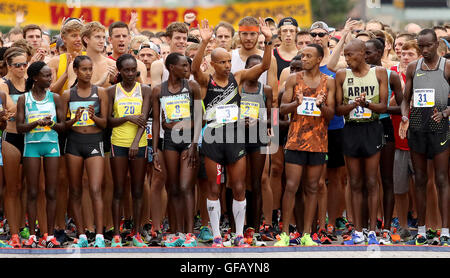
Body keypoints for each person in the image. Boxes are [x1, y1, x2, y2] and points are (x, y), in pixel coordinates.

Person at [192, 18, 273, 247]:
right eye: (222, 62)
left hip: (235, 138)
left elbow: (265, 67)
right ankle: (217, 234)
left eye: (229, 61)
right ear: (213, 63)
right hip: (213, 139)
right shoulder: (206, 81)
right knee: (214, 188)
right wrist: (204, 42)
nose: (228, 65)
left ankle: (239, 234)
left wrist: (268, 41)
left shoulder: (237, 78)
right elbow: (194, 68)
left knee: (239, 187)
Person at [276, 44, 335, 246]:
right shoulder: (293, 79)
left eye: (309, 56)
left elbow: (331, 115)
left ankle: (307, 234)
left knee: (312, 187)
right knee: (291, 186)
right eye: (303, 56)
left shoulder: (330, 82)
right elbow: (283, 109)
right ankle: (285, 233)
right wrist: (296, 103)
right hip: (295, 140)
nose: (304, 59)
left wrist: (321, 104)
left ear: (319, 59)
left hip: (318, 142)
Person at [399, 29, 450, 246]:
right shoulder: (413, 67)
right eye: (421, 46)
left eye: (429, 45)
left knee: (441, 179)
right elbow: (405, 98)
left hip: (440, 128)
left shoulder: (446, 66)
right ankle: (421, 229)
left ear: (437, 44)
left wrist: (446, 112)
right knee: (419, 179)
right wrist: (403, 116)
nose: (425, 50)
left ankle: (445, 231)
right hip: (418, 127)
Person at [335, 39, 388, 245]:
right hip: (350, 129)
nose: (346, 59)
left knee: (372, 181)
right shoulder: (342, 75)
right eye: (345, 55)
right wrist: (353, 105)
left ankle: (372, 230)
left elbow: (383, 107)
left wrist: (366, 103)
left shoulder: (379, 73)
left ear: (363, 53)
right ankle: (358, 230)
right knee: (355, 182)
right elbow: (338, 110)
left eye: (350, 55)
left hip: (372, 128)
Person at [152, 53, 202, 247]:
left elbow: (199, 117)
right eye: (183, 66)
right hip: (169, 142)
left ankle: (190, 233)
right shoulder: (158, 90)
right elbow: (156, 121)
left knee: (185, 187)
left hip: (189, 140)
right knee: (172, 188)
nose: (187, 69)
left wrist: (194, 144)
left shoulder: (192, 87)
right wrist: (155, 149)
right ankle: (175, 231)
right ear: (172, 67)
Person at [16, 61, 65, 248]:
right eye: (46, 75)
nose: (50, 78)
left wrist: (51, 124)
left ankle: (50, 235)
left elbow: (62, 127)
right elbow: (20, 128)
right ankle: (33, 235)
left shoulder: (55, 98)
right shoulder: (24, 99)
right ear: (35, 77)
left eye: (50, 75)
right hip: (32, 147)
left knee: (52, 191)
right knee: (33, 192)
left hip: (52, 145)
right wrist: (36, 123)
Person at [61, 56, 108, 248]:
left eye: (90, 69)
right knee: (76, 190)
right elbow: (62, 126)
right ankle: (81, 234)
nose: (88, 73)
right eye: (84, 69)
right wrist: (76, 118)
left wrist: (93, 116)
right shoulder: (68, 94)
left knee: (96, 189)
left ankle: (99, 235)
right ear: (76, 70)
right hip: (74, 143)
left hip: (94, 141)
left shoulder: (101, 92)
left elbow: (105, 123)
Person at [107, 54, 151, 247]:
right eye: (126, 70)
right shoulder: (111, 91)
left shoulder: (145, 90)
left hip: (139, 144)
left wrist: (135, 143)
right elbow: (108, 121)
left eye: (134, 70)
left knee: (138, 190)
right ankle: (117, 233)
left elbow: (144, 120)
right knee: (118, 189)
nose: (131, 73)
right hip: (118, 143)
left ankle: (138, 233)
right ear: (120, 71)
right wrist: (128, 118)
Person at [365, 38, 403, 244]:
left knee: (386, 179)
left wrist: (380, 108)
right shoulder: (354, 75)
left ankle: (386, 228)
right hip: (361, 128)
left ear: (380, 53)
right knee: (365, 180)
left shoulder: (391, 75)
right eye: (363, 52)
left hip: (383, 125)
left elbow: (403, 106)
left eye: (369, 53)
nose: (365, 56)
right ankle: (364, 228)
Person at [240, 54, 272, 243]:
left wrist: (258, 120)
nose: (255, 72)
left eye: (259, 68)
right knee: (238, 183)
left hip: (258, 138)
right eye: (251, 68)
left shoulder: (265, 89)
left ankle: (255, 226)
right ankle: (237, 224)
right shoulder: (238, 87)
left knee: (256, 182)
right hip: (238, 138)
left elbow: (273, 118)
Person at [1, 48, 28, 248]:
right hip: (11, 137)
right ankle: (14, 232)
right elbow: (9, 108)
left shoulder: (30, 82)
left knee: (27, 187)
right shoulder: (3, 84)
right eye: (17, 65)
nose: (21, 68)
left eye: (24, 64)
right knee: (12, 188)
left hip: (31, 137)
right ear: (8, 66)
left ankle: (22, 226)